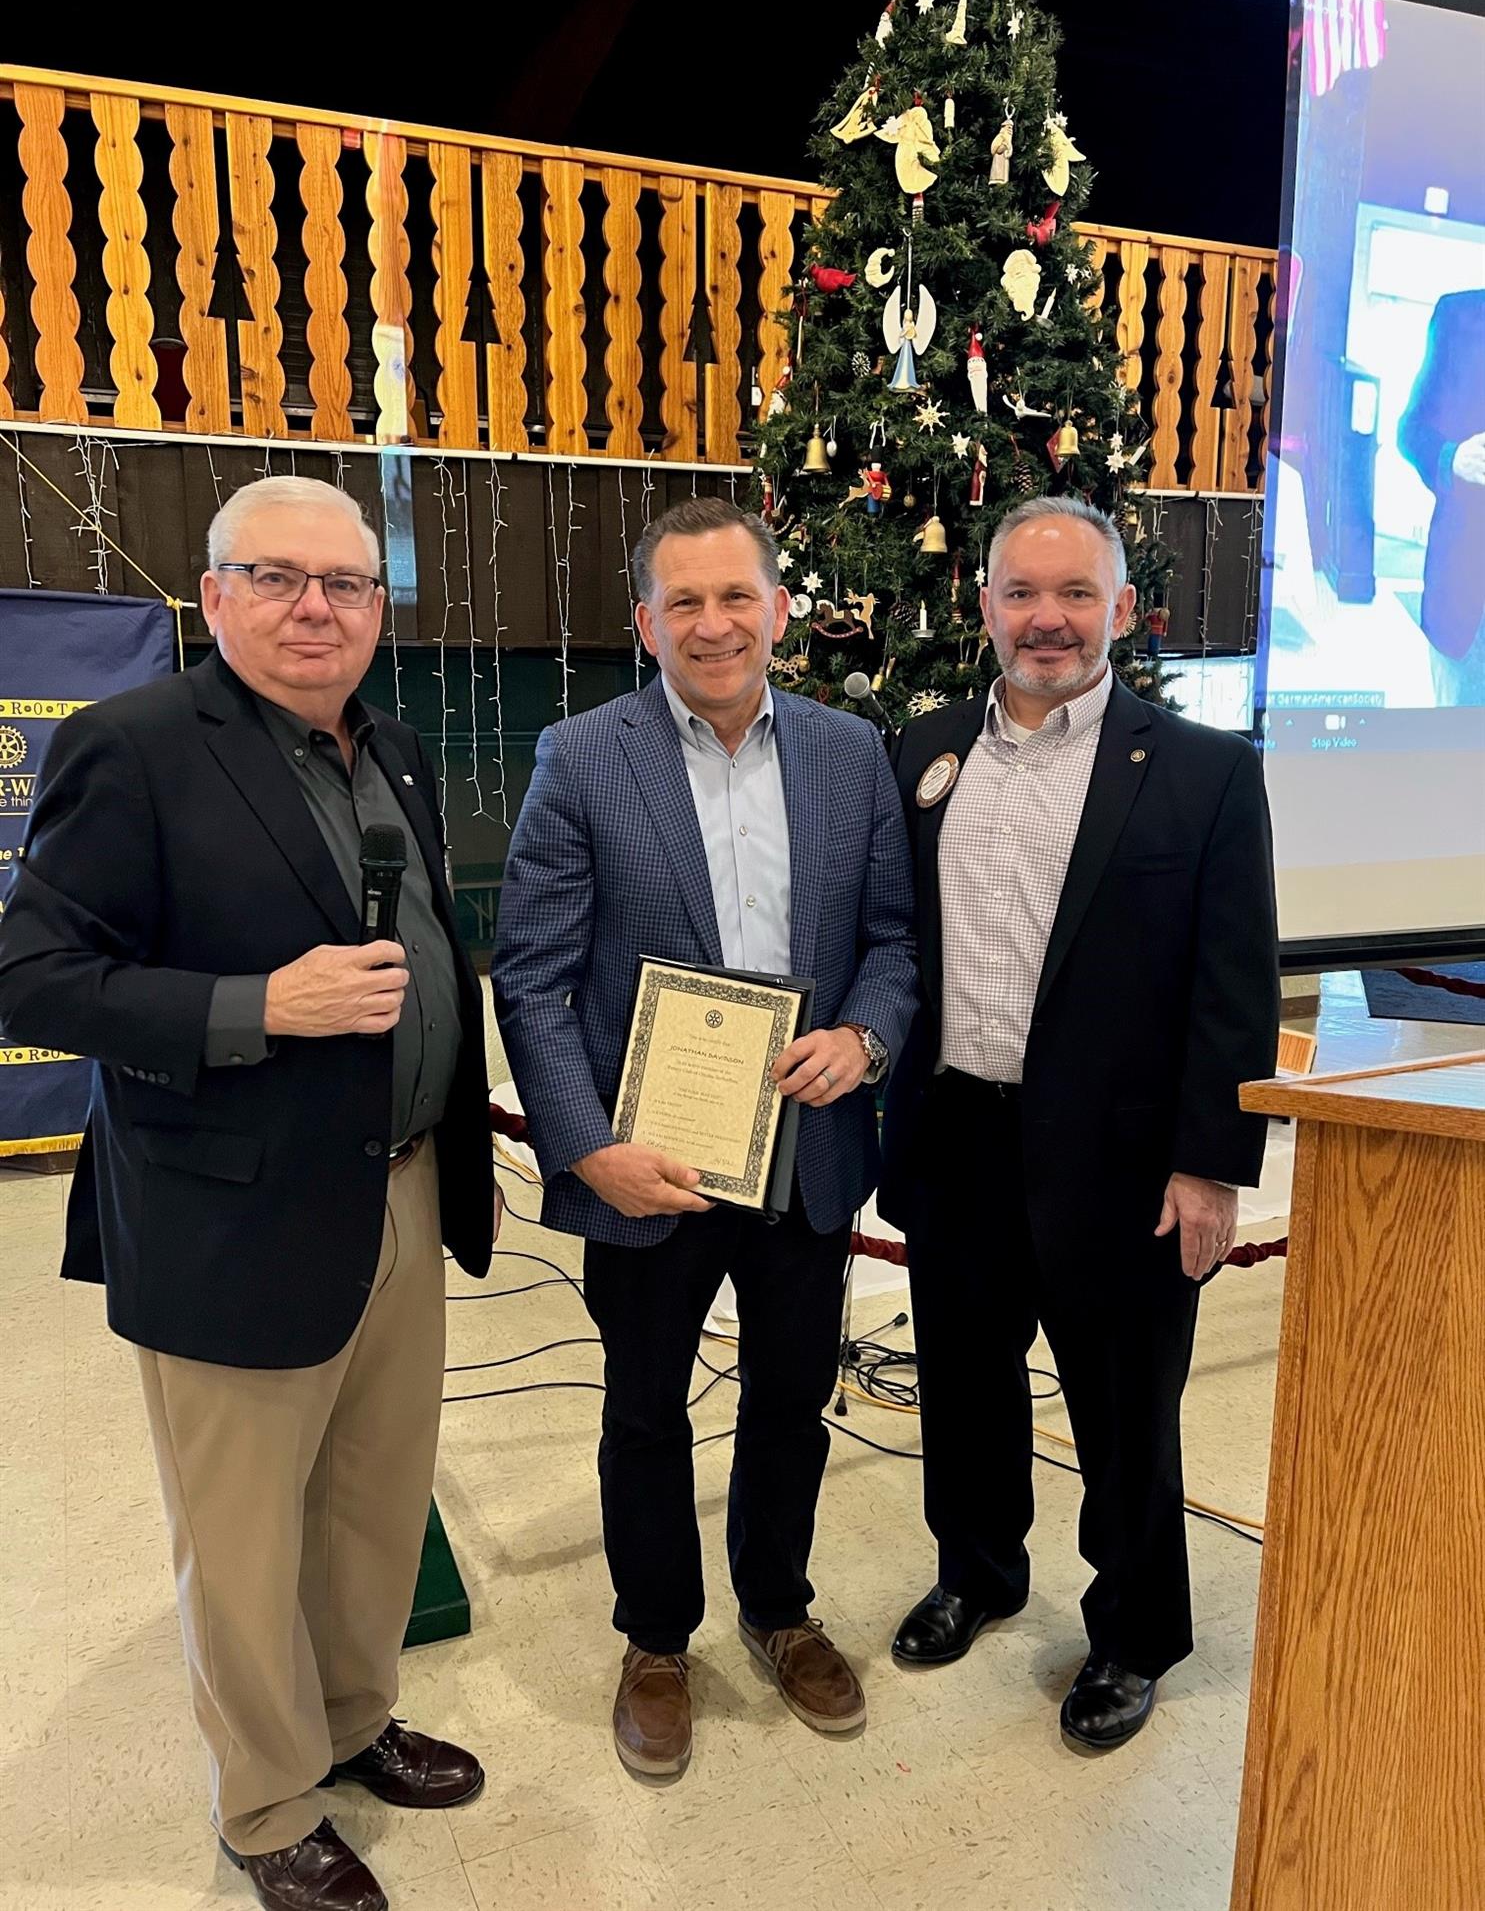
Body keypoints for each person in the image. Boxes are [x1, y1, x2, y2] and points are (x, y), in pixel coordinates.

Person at [0, 477, 498, 1911]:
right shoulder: (134, 747)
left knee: (374, 1500)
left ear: (378, 609)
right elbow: (33, 977)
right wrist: (257, 1005)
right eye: (276, 577)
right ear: (213, 596)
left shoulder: (393, 748)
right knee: (243, 1537)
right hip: (226, 1214)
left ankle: (350, 1721)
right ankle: (269, 1801)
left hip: (400, 1190)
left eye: (344, 583)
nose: (313, 608)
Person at [492, 496, 918, 1777]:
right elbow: (532, 974)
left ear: (779, 610)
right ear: (646, 622)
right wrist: (585, 1147)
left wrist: (866, 1038)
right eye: (685, 601)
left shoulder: (852, 753)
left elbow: (894, 939)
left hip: (807, 1150)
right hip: (649, 1163)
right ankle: (656, 1640)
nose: (714, 624)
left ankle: (779, 1609)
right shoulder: (582, 756)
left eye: (737, 596)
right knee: (643, 1410)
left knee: (793, 1398)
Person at [880, 497, 1279, 1750]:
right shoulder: (925, 751)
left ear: (1123, 609)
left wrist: (1210, 1168)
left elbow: (1234, 985)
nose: (1046, 619)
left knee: (1124, 1414)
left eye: (1074, 595)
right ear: (984, 606)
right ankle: (978, 1571)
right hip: (957, 1136)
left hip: (1123, 1162)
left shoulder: (1206, 771)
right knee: (963, 1386)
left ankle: (1135, 1633)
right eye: (1021, 593)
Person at [1398, 287, 1485, 706]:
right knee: (1457, 736)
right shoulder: (1459, 314)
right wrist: (1451, 458)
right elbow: (1410, 429)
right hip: (1466, 601)